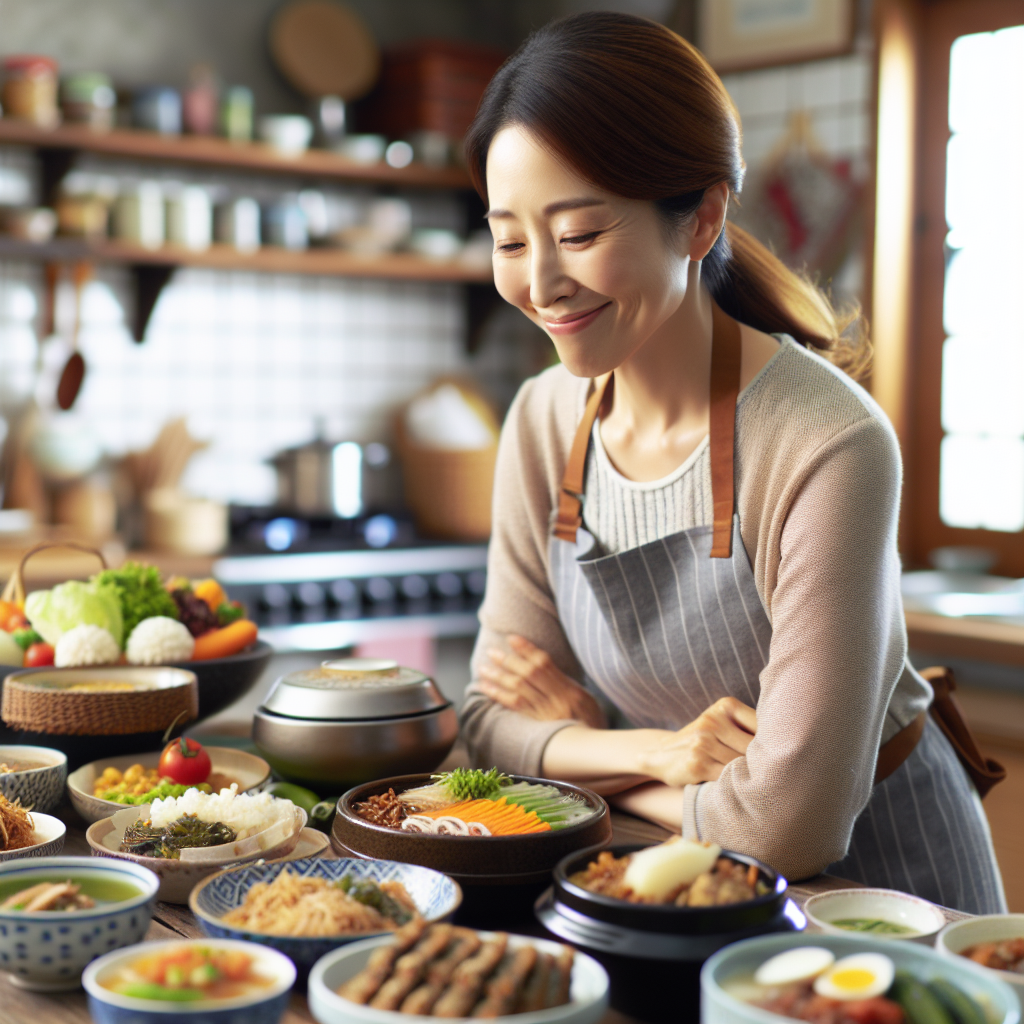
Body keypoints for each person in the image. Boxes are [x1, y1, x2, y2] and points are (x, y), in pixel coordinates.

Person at [457, 12, 1005, 914]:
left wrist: (584, 760)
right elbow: (485, 723)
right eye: (510, 239)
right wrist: (652, 755)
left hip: (878, 893)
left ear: (701, 217)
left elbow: (790, 827)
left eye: (581, 232)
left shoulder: (828, 442)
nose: (541, 281)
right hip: (666, 876)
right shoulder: (540, 420)